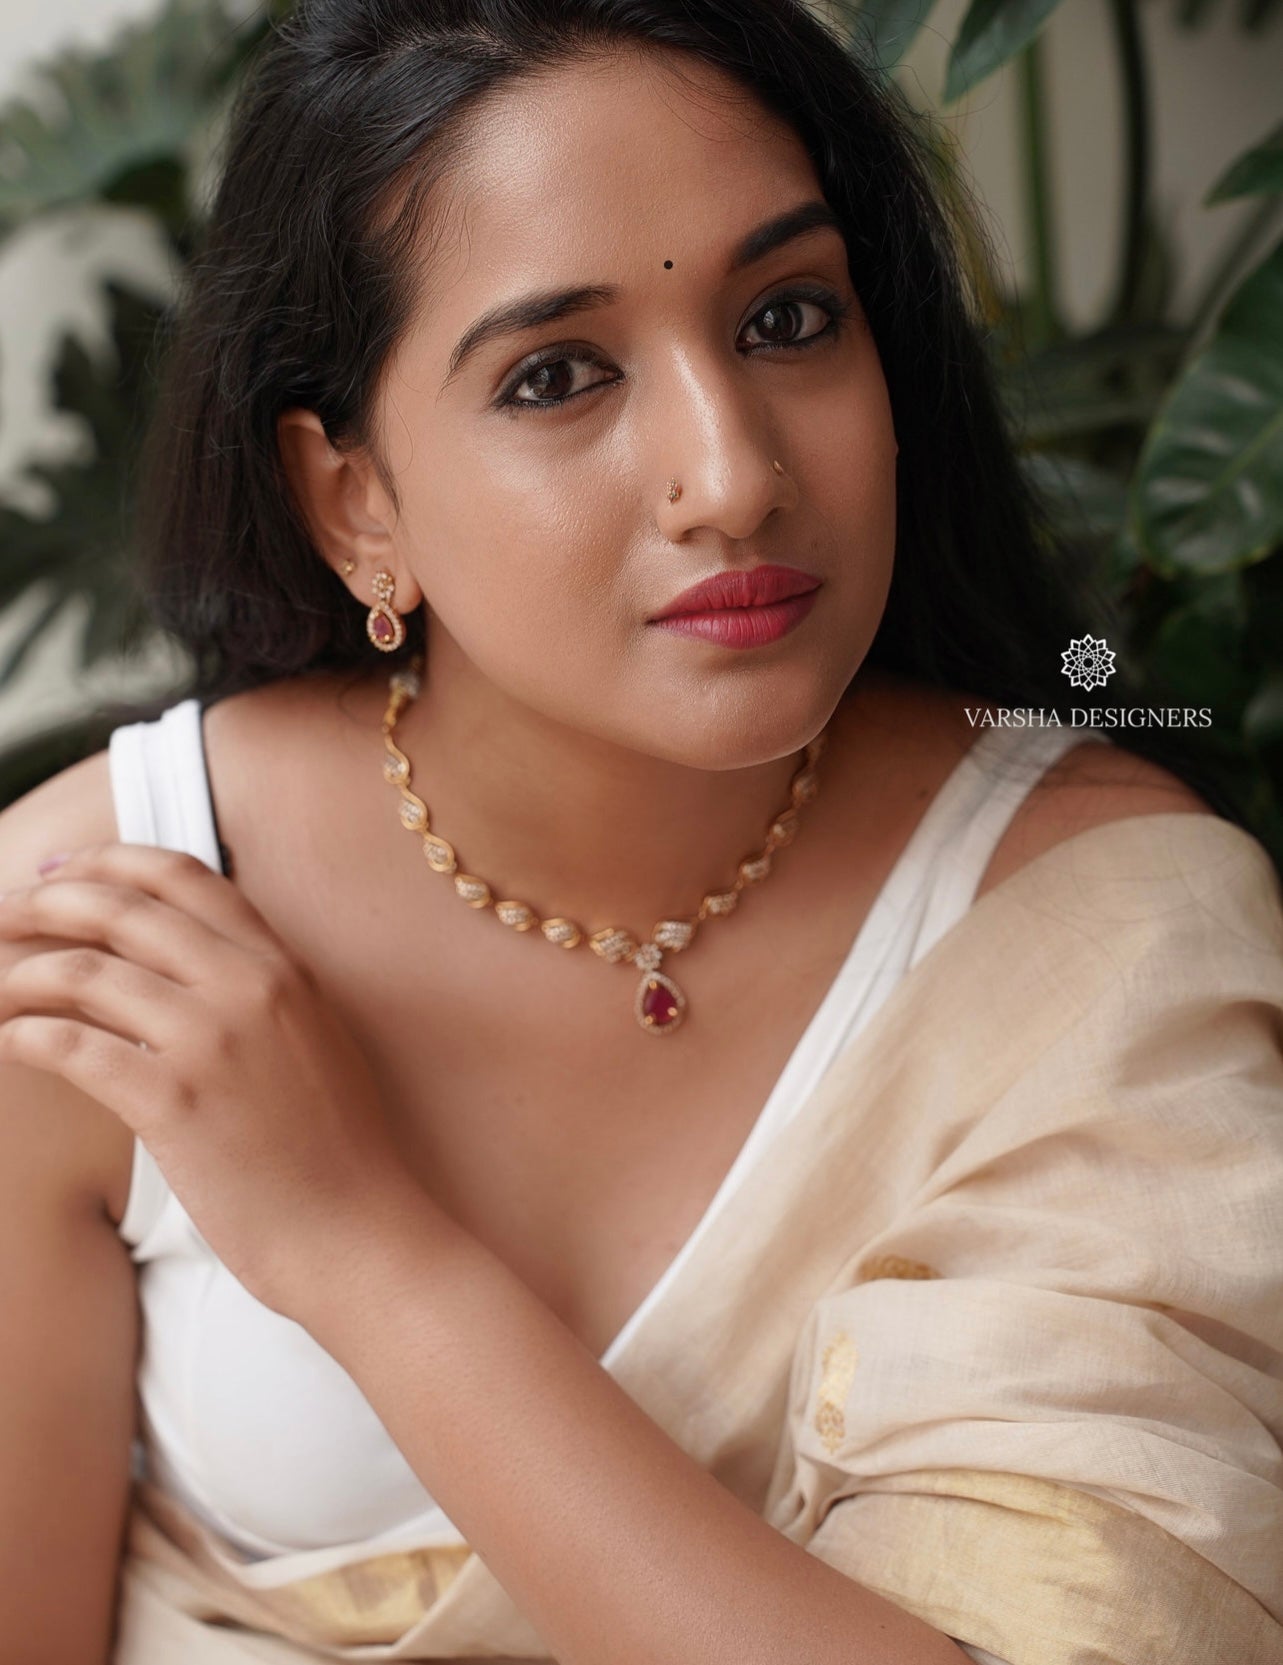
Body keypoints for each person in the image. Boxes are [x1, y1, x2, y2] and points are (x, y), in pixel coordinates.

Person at [1, 2, 1281, 1662]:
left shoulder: (1100, 932)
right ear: (353, 501)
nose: (731, 475)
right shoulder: (102, 935)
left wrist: (363, 1252)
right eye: (557, 374)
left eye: (788, 318)